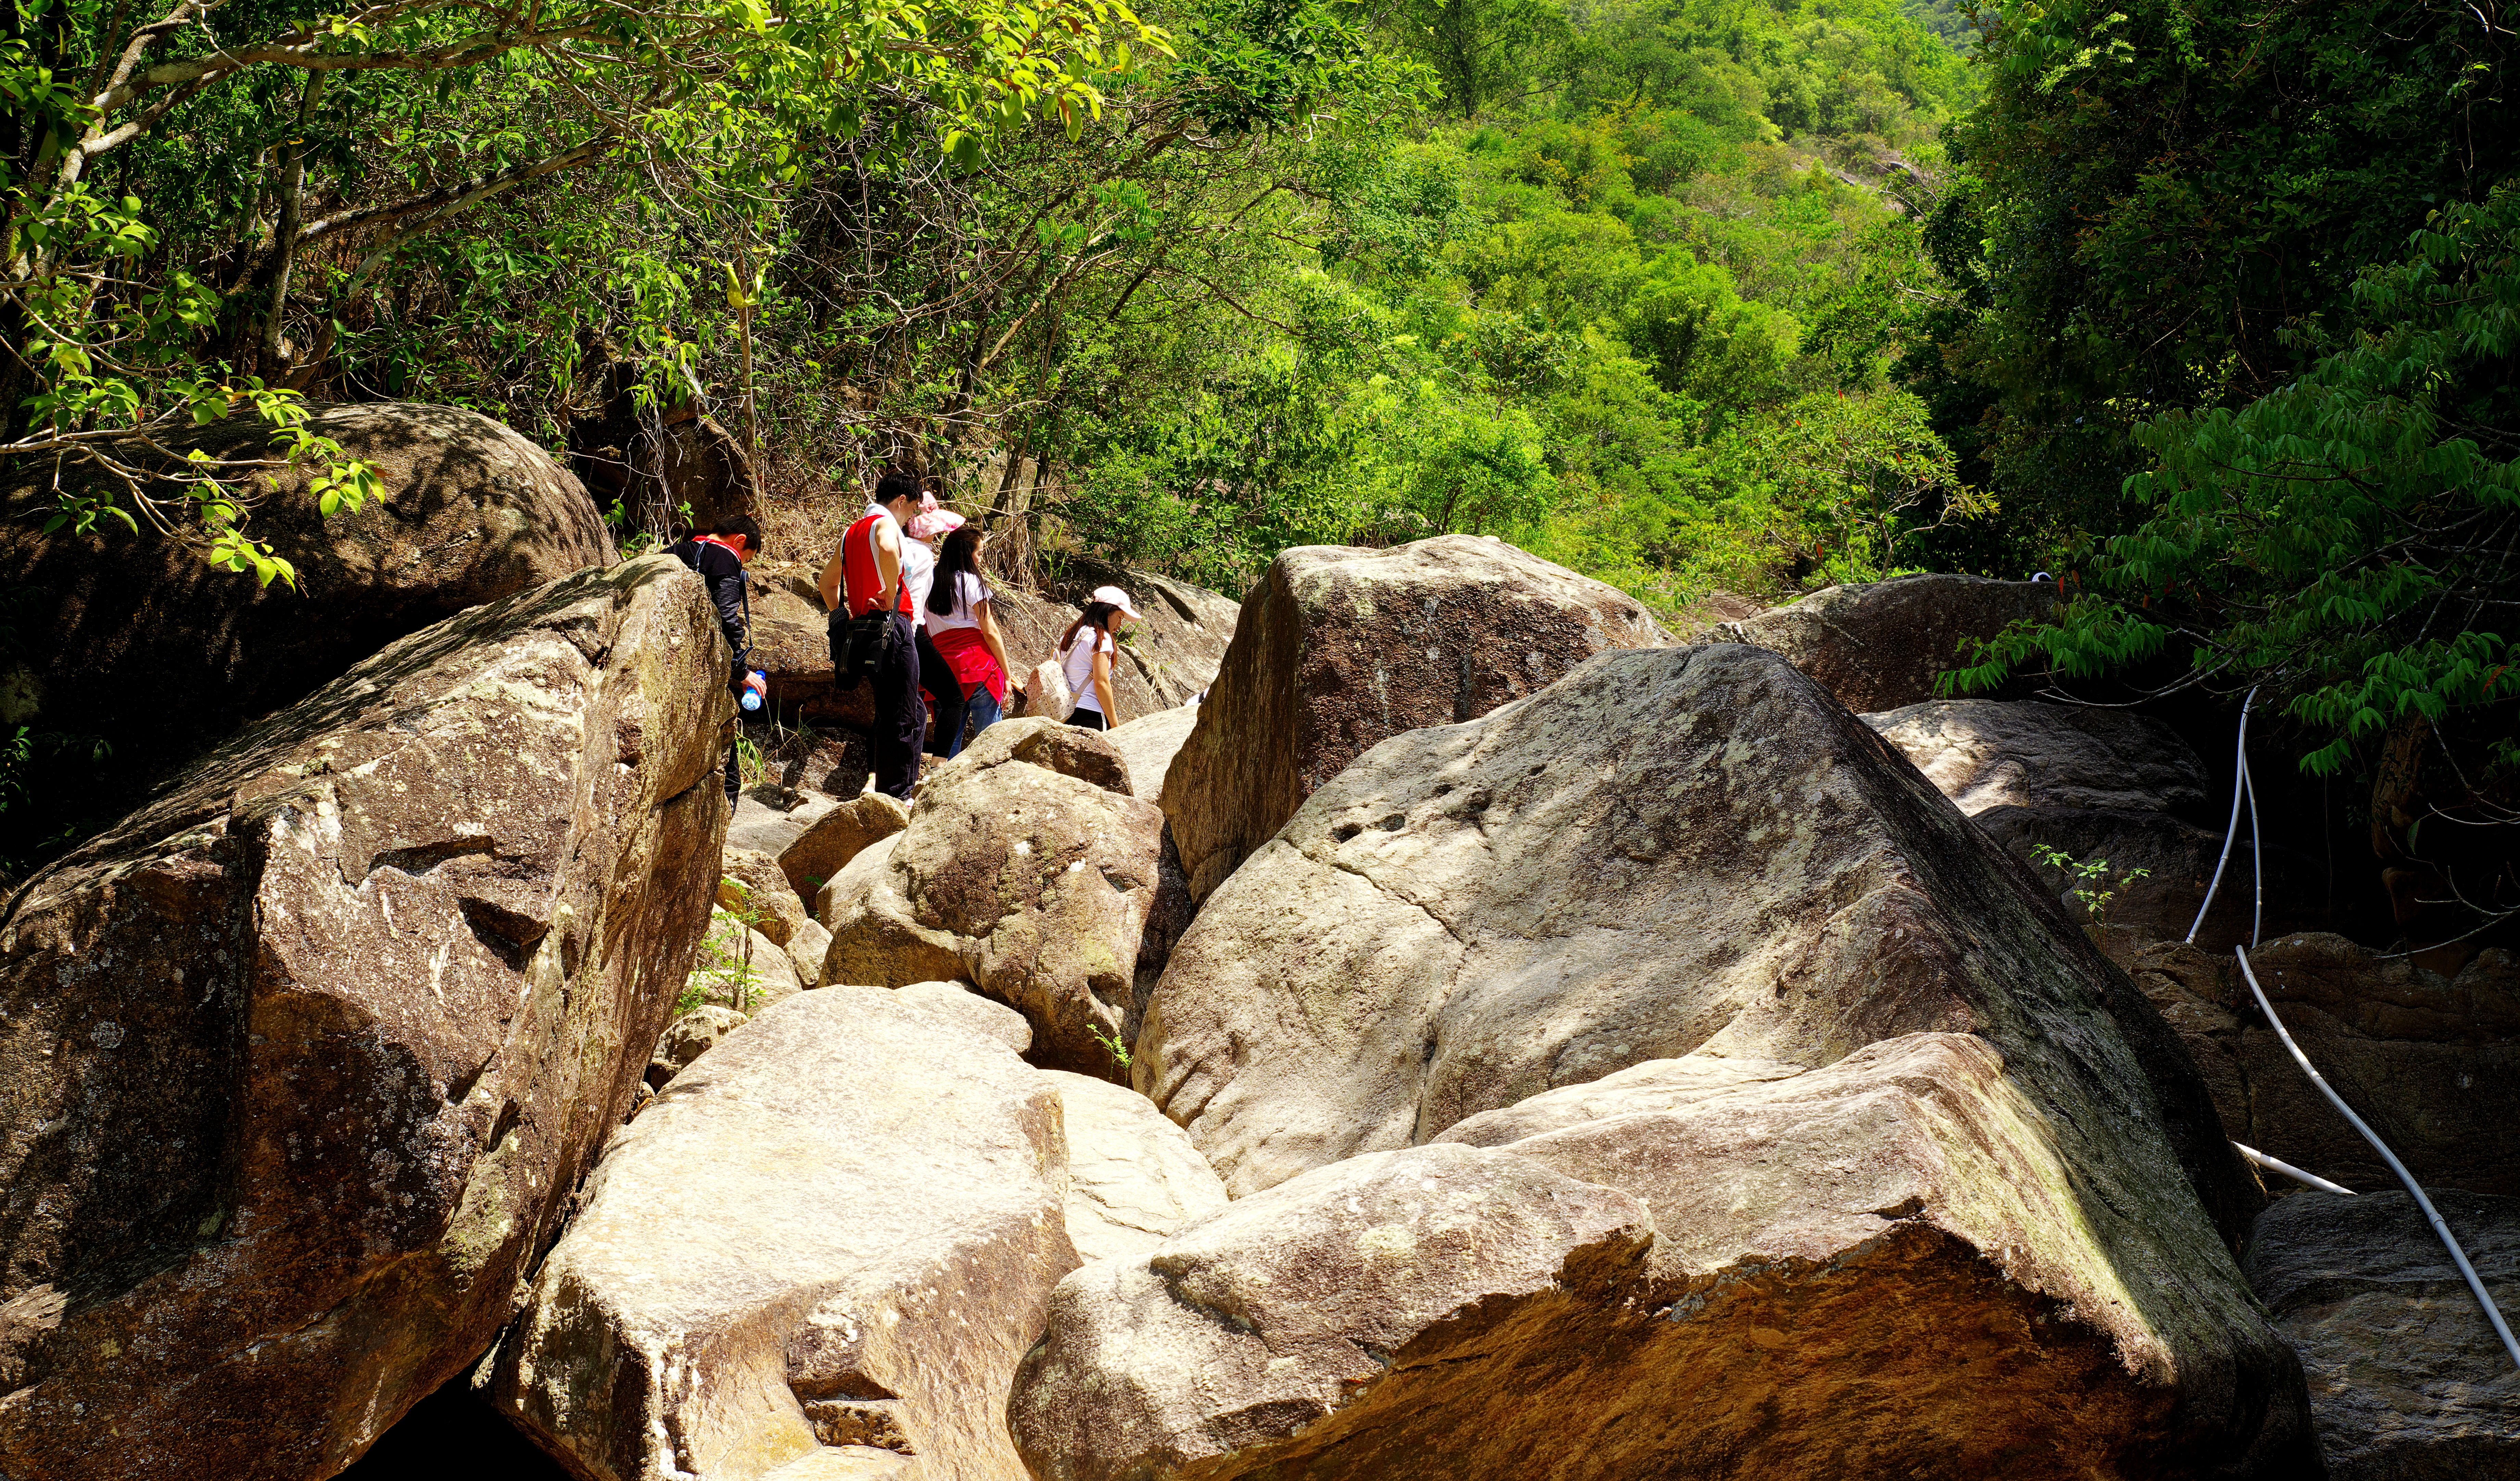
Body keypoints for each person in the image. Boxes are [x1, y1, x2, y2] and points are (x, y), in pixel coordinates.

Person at [818, 472, 923, 799]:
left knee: (906, 711)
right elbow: (888, 547)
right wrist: (892, 593)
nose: (911, 519)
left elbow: (827, 583)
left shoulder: (850, 534)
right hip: (893, 625)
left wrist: (841, 616)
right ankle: (898, 795)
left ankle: (891, 788)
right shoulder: (886, 524)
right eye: (912, 510)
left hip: (867, 634)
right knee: (904, 714)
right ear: (901, 501)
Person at [668, 514, 768, 803]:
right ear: (739, 541)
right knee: (730, 778)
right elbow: (727, 618)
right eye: (747, 558)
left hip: (670, 667)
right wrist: (742, 671)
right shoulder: (726, 559)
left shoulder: (678, 552)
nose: (743, 564)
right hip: (702, 681)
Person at [922, 523, 1013, 757]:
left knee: (948, 747)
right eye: (980, 553)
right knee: (992, 743)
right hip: (979, 667)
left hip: (944, 670)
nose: (981, 559)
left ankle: (944, 788)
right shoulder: (972, 582)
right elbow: (990, 632)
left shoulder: (928, 585)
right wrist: (1008, 674)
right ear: (966, 554)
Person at [902, 494, 968, 759]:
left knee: (894, 704)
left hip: (889, 628)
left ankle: (874, 775)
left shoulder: (897, 545)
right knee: (954, 699)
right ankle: (939, 765)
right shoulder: (924, 555)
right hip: (912, 631)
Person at [1057, 585, 1141, 731]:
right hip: (1091, 717)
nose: (1120, 625)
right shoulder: (1101, 638)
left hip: (1062, 713)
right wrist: (1115, 726)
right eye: (1120, 617)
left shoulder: (1070, 635)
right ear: (1107, 611)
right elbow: (1101, 682)